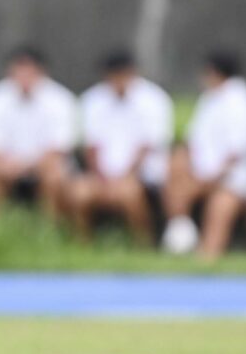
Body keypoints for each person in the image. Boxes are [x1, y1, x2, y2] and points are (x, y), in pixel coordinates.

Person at [69, 51, 173, 242]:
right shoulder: (92, 100)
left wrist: (125, 176)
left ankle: (144, 244)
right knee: (79, 192)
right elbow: (92, 147)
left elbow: (147, 147)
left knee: (128, 193)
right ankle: (82, 245)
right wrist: (101, 177)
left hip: (139, 174)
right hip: (101, 175)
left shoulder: (154, 100)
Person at [161, 51, 246, 258]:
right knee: (177, 184)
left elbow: (236, 152)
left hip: (234, 179)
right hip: (204, 174)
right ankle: (180, 238)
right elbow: (192, 141)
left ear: (215, 72)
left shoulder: (239, 102)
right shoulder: (208, 99)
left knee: (220, 205)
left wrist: (211, 179)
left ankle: (208, 254)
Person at [0, 47, 77, 220]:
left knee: (55, 176)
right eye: (19, 72)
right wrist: (10, 166)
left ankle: (50, 228)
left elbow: (59, 147)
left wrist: (29, 166)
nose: (24, 78)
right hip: (5, 164)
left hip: (45, 163)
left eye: (30, 73)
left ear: (42, 73)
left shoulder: (61, 99)